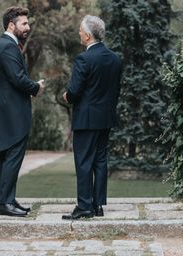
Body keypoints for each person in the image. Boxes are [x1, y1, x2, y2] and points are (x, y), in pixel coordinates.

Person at [61, 15, 122, 220]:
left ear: (87, 36)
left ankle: (85, 206)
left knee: (84, 162)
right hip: (105, 118)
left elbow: (75, 91)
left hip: (86, 119)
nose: (78, 32)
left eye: (80, 30)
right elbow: (115, 91)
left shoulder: (84, 59)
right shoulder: (115, 59)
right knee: (100, 161)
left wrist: (66, 96)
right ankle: (97, 205)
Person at [0, 6, 45, 217]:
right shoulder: (9, 47)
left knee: (5, 157)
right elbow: (17, 78)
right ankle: (4, 203)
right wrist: (36, 87)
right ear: (11, 25)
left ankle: (7, 200)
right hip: (12, 112)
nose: (27, 27)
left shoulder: (0, 45)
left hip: (4, 109)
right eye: (24, 24)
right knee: (12, 156)